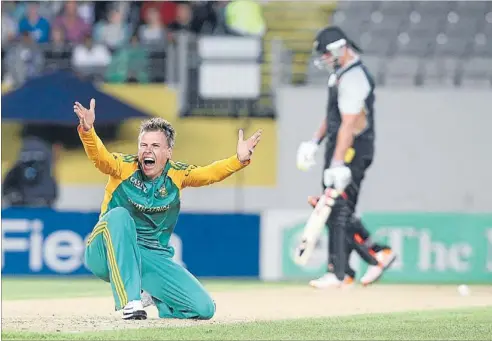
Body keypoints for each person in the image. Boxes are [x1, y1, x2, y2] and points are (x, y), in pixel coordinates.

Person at [74, 99, 262, 320]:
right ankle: (131, 301)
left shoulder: (177, 174)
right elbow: (100, 158)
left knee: (203, 309)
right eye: (143, 145)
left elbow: (209, 174)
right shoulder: (123, 166)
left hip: (150, 257)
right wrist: (88, 131)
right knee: (119, 216)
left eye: (155, 146)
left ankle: (156, 297)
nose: (147, 151)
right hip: (104, 251)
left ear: (168, 152)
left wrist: (239, 160)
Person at [296, 26, 396, 289]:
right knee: (337, 209)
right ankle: (366, 259)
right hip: (341, 148)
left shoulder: (355, 78)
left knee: (338, 209)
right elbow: (333, 117)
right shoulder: (339, 76)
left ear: (340, 48)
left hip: (353, 149)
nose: (325, 60)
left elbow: (349, 124)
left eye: (327, 54)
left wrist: (338, 162)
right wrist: (314, 142)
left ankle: (342, 271)